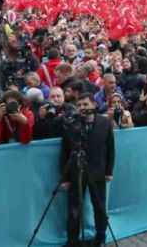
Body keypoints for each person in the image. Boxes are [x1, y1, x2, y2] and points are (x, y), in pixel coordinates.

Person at [59, 93, 115, 247]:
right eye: (80, 105)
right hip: (76, 172)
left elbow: (110, 148)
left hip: (98, 172)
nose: (82, 108)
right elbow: (65, 152)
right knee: (74, 208)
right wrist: (64, 178)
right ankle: (72, 240)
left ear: (94, 105)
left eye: (85, 104)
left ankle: (100, 238)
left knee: (100, 207)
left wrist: (109, 171)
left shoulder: (105, 123)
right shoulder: (72, 124)